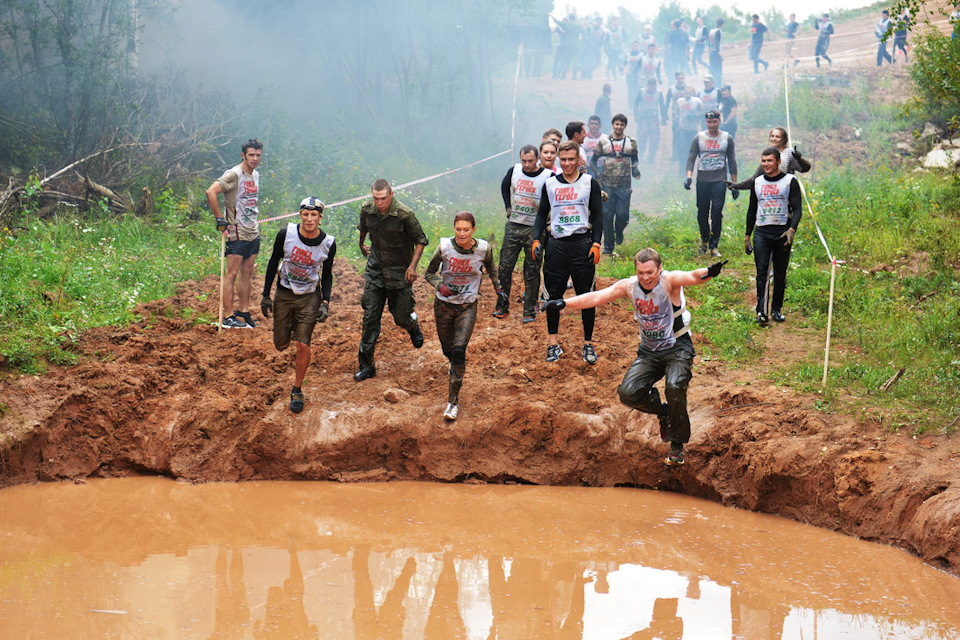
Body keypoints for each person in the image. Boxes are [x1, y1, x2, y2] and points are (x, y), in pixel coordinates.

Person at [542, 248, 728, 465]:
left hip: (677, 347)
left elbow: (692, 276)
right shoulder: (629, 286)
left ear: (659, 268)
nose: (646, 278)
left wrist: (709, 272)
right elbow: (598, 296)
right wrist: (565, 303)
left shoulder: (670, 281)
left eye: (650, 272)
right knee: (628, 393)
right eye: (641, 273)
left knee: (675, 386)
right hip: (649, 351)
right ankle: (664, 412)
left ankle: (676, 445)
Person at [425, 212, 504, 421]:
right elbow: (428, 273)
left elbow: (492, 270)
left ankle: (453, 402)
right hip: (443, 305)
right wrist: (440, 285)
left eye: (466, 230)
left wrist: (500, 291)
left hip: (468, 306)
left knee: (459, 351)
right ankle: (453, 364)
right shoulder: (444, 248)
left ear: (473, 230)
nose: (461, 233)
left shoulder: (484, 249)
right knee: (448, 350)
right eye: (458, 229)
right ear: (454, 228)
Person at [260, 197, 336, 413]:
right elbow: (273, 261)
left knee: (303, 344)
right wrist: (266, 295)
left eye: (314, 215)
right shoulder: (286, 234)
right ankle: (291, 325)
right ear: (300, 215)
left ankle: (297, 389)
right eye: (305, 214)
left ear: (320, 218)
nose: (309, 219)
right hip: (285, 292)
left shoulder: (328, 243)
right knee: (281, 345)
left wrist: (325, 302)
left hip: (310, 296)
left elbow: (327, 274)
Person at [532, 140, 604, 364]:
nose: (567, 163)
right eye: (563, 160)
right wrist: (536, 239)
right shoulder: (550, 184)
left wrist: (596, 243)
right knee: (553, 295)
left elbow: (599, 215)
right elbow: (541, 213)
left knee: (586, 295)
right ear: (558, 160)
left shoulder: (589, 183)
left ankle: (588, 344)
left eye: (571, 159)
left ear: (579, 160)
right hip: (557, 246)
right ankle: (553, 344)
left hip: (582, 244)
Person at [354, 179, 428, 381]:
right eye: (376, 198)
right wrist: (361, 244)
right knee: (370, 319)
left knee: (401, 317)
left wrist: (412, 267)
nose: (379, 203)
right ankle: (367, 366)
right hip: (376, 271)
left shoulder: (405, 214)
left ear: (391, 194)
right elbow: (363, 227)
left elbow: (421, 240)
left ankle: (413, 326)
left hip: (399, 272)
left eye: (383, 198)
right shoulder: (367, 209)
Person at [206, 138, 263, 330]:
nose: (255, 158)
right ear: (243, 155)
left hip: (252, 231)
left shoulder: (256, 176)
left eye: (258, 155)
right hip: (236, 232)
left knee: (247, 272)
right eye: (251, 155)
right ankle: (228, 315)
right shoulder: (234, 174)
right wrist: (219, 219)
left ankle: (243, 312)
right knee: (231, 274)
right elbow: (211, 192)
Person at [743, 147, 802, 325]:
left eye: (769, 161)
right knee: (762, 273)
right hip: (762, 232)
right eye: (763, 161)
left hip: (782, 231)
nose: (766, 164)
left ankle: (776, 309)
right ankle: (761, 312)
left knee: (780, 272)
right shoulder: (757, 182)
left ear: (778, 161)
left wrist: (792, 230)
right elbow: (752, 210)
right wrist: (747, 235)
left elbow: (798, 209)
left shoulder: (790, 181)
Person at [495, 145, 549, 322]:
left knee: (532, 269)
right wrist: (508, 207)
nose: (526, 165)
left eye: (530, 161)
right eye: (524, 160)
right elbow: (504, 187)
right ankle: (502, 306)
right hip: (513, 226)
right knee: (504, 268)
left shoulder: (547, 176)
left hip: (534, 229)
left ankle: (529, 310)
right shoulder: (514, 171)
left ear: (538, 159)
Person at [685, 109, 738, 257]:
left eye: (714, 121)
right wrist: (689, 176)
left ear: (719, 121)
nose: (712, 124)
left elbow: (732, 161)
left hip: (719, 180)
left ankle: (714, 245)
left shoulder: (727, 138)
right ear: (705, 122)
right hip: (702, 180)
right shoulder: (699, 138)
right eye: (709, 122)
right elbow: (691, 158)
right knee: (702, 212)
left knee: (716, 212)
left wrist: (734, 184)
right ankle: (704, 240)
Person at [591, 113, 640, 254]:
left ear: (625, 126)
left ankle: (619, 231)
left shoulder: (631, 142)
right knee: (607, 215)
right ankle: (608, 247)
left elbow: (635, 159)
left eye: (622, 124)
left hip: (624, 185)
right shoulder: (603, 141)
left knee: (623, 216)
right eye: (616, 124)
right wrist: (598, 174)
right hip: (607, 184)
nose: (619, 127)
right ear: (613, 125)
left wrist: (635, 169)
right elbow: (593, 161)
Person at [735, 126, 811, 181]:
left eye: (777, 137)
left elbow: (804, 169)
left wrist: (799, 159)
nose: (774, 139)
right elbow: (756, 177)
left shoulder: (789, 154)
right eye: (772, 136)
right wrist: (736, 186)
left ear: (784, 139)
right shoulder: (769, 154)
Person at [633, 78, 666, 163]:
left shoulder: (659, 93)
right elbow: (636, 103)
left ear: (655, 86)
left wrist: (663, 118)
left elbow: (662, 105)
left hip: (654, 120)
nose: (651, 88)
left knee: (654, 140)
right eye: (650, 86)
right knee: (641, 138)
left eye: (653, 86)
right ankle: (641, 153)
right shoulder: (642, 92)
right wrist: (636, 115)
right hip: (643, 119)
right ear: (648, 85)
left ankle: (651, 157)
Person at [675, 86, 704, 176]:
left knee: (691, 151)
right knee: (682, 150)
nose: (687, 94)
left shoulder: (697, 101)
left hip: (692, 129)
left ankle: (691, 171)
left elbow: (703, 112)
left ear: (692, 93)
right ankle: (681, 171)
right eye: (686, 93)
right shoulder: (679, 101)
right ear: (683, 93)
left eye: (689, 93)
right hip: (682, 129)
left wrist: (695, 115)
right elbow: (676, 112)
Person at [664, 71, 687, 161]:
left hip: (686, 116)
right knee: (676, 136)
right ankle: (675, 155)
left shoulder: (688, 88)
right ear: (676, 78)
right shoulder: (672, 89)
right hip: (676, 116)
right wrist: (664, 113)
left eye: (682, 78)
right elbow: (667, 101)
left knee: (685, 136)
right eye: (679, 78)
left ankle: (684, 154)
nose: (680, 80)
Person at [623, 41, 643, 110]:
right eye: (633, 46)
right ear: (631, 47)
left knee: (637, 91)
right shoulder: (627, 55)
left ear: (638, 47)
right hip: (629, 75)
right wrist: (622, 67)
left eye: (636, 46)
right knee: (630, 91)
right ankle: (630, 107)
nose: (634, 47)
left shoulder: (641, 55)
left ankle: (637, 106)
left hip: (638, 76)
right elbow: (624, 63)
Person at [708, 18, 724, 85]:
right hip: (716, 52)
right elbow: (717, 42)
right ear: (722, 24)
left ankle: (710, 82)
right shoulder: (718, 31)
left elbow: (708, 42)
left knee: (712, 68)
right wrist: (719, 53)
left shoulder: (711, 31)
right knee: (718, 69)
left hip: (711, 52)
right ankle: (718, 83)